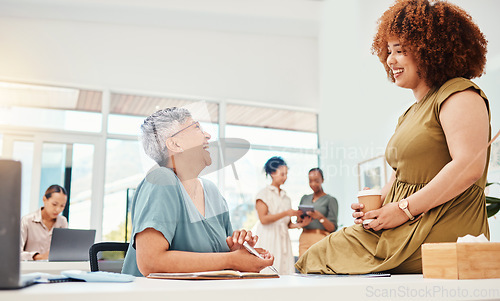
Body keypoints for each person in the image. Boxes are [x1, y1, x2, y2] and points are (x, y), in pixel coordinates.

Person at [296, 0, 491, 274]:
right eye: (388, 51)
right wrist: (375, 212)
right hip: (403, 224)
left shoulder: (460, 95)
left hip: (440, 226)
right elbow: (397, 180)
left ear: (430, 50)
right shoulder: (410, 113)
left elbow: (469, 167)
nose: (390, 60)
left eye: (400, 50)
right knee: (315, 256)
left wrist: (403, 210)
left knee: (320, 257)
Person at [121, 107, 274, 277]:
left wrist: (237, 250)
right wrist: (231, 259)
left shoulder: (212, 192)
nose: (207, 135)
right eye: (196, 128)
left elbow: (223, 258)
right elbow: (150, 262)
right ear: (175, 144)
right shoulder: (161, 180)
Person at [253, 156, 306, 274]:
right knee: (269, 270)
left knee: (284, 271)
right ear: (272, 173)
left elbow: (287, 224)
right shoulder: (263, 194)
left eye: (286, 174)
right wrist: (286, 213)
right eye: (282, 174)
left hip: (283, 239)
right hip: (269, 237)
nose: (285, 177)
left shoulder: (286, 197)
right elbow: (263, 219)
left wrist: (300, 224)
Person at [20, 184, 68, 261]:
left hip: (54, 269)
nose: (58, 209)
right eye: (54, 204)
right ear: (44, 199)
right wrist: (39, 256)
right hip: (30, 269)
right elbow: (16, 253)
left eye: (62, 206)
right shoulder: (27, 220)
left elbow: (64, 250)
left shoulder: (63, 221)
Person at [297, 168, 338, 257]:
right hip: (304, 237)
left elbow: (332, 228)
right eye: (310, 181)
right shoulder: (305, 198)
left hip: (320, 237)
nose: (313, 184)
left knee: (318, 268)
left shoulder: (330, 200)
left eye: (316, 181)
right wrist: (300, 219)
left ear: (322, 180)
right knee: (303, 268)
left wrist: (320, 217)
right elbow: (298, 222)